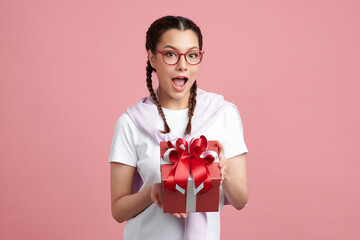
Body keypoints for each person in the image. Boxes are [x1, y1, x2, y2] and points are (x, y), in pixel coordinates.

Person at [109, 15, 249, 240]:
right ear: (152, 58)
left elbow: (241, 200)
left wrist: (226, 172)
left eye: (192, 55)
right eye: (171, 54)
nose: (183, 65)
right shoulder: (131, 122)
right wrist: (152, 192)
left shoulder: (223, 114)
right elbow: (118, 210)